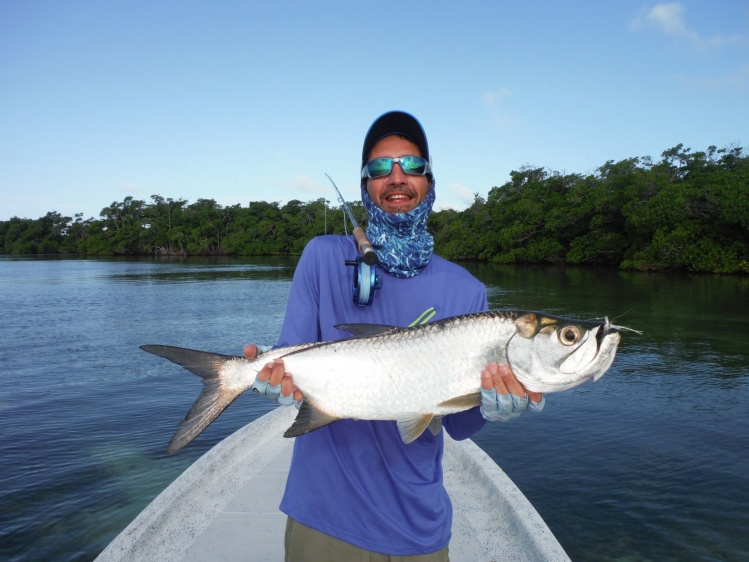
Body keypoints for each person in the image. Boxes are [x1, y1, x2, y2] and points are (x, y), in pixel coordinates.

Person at [244, 111, 544, 561]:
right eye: (380, 168)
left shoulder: (466, 289)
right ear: (366, 185)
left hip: (418, 525)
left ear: (429, 181)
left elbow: (460, 426)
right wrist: (273, 377)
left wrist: (496, 404)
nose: (396, 177)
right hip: (323, 516)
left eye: (412, 165)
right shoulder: (323, 257)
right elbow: (292, 360)